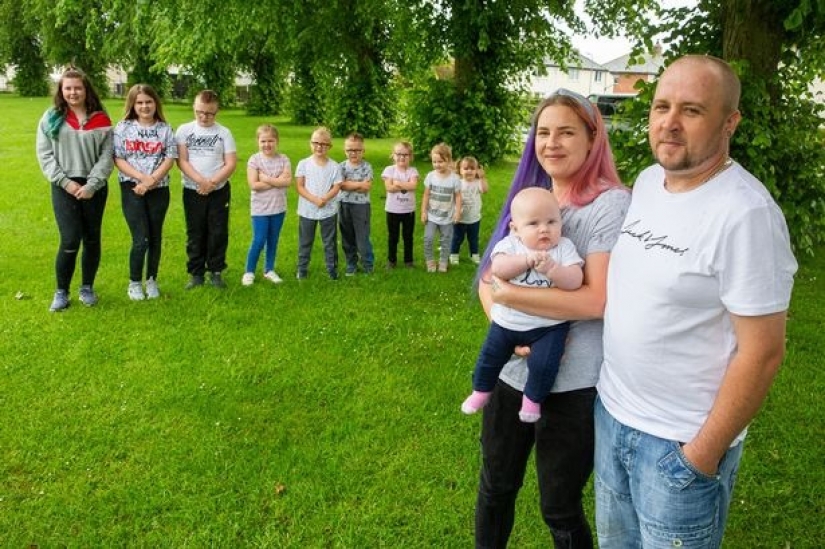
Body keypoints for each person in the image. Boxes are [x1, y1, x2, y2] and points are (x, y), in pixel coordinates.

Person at [595, 55, 798, 549]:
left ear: (730, 122)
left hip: (679, 445)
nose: (669, 123)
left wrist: (700, 454)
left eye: (691, 110)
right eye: (661, 106)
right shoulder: (646, 182)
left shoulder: (746, 214)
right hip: (612, 416)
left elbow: (763, 352)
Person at [474, 88, 630, 548]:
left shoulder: (610, 205)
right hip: (511, 370)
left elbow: (595, 300)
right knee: (495, 488)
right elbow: (489, 278)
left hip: (572, 385)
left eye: (566, 132)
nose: (552, 143)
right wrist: (508, 326)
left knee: (558, 507)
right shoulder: (532, 198)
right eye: (543, 132)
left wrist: (512, 296)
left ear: (591, 138)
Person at [462, 187, 583, 423]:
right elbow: (498, 269)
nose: (544, 229)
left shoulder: (564, 248)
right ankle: (481, 391)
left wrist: (553, 270)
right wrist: (526, 260)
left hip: (549, 327)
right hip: (508, 323)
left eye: (552, 221)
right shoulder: (511, 246)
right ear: (515, 229)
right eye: (533, 223)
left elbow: (575, 281)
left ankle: (532, 400)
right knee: (490, 357)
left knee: (544, 365)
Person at [36, 67, 114, 312]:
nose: (73, 92)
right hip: (64, 186)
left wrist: (92, 185)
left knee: (91, 239)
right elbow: (45, 155)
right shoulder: (51, 117)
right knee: (70, 239)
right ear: (61, 90)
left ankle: (87, 288)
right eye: (67, 88)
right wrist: (66, 182)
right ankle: (61, 292)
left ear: (86, 89)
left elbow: (108, 155)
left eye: (77, 88)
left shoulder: (101, 118)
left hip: (94, 187)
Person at [113, 84, 178, 300]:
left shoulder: (165, 129)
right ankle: (134, 282)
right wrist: (142, 179)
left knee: (155, 236)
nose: (144, 106)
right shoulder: (123, 128)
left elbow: (170, 158)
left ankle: (151, 279)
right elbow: (118, 158)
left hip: (158, 189)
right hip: (131, 187)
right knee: (141, 238)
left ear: (155, 103)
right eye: (139, 102)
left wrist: (151, 181)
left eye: (148, 102)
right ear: (132, 104)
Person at [176, 89, 237, 289]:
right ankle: (196, 273)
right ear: (194, 108)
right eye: (199, 112)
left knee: (218, 231)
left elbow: (230, 163)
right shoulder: (184, 130)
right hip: (192, 190)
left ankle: (216, 271)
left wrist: (211, 183)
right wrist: (201, 182)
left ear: (216, 112)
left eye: (209, 113)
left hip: (218, 191)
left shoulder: (223, 133)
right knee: (196, 232)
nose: (204, 117)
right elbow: (182, 161)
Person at [241, 124, 291, 286]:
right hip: (260, 209)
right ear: (258, 142)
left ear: (277, 141)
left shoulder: (284, 159)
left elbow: (287, 181)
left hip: (278, 208)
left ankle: (269, 269)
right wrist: (278, 181)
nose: (267, 144)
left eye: (271, 141)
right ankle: (249, 271)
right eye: (263, 141)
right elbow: (254, 185)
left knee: (273, 240)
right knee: (259, 239)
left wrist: (267, 179)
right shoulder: (254, 160)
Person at [295, 126, 343, 280]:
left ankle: (332, 270)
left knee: (329, 242)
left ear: (329, 146)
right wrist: (314, 199)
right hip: (307, 210)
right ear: (310, 143)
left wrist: (324, 198)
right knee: (305, 241)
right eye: (316, 143)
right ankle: (302, 269)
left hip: (328, 211)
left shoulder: (334, 166)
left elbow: (337, 186)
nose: (319, 147)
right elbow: (300, 186)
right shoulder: (303, 164)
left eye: (323, 144)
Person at [421, 142, 462, 272]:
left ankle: (443, 261)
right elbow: (426, 195)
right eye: (434, 162)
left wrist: (457, 212)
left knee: (446, 240)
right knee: (428, 238)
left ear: (449, 160)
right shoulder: (430, 176)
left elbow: (458, 197)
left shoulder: (455, 179)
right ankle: (430, 261)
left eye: (441, 161)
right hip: (432, 216)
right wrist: (423, 211)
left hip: (447, 217)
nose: (437, 164)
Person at [338, 132, 374, 275]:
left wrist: (348, 184)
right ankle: (351, 263)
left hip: (361, 207)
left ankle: (368, 265)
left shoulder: (367, 167)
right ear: (345, 150)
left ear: (363, 151)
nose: (353, 153)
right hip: (344, 204)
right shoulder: (340, 166)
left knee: (362, 237)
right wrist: (358, 184)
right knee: (347, 236)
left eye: (357, 150)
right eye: (349, 150)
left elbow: (367, 187)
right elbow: (340, 185)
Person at [382, 141, 419, 268]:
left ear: (411, 156)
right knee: (393, 236)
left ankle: (408, 261)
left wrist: (397, 183)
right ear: (393, 155)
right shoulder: (389, 170)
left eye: (405, 154)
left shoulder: (413, 171)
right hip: (392, 210)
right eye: (398, 154)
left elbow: (413, 185)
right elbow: (389, 188)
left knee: (408, 236)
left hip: (409, 210)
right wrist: (405, 184)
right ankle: (391, 261)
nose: (402, 157)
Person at [450, 156, 488, 265]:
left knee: (473, 238)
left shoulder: (477, 182)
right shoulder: (458, 182)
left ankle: (474, 254)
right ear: (460, 170)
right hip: (460, 218)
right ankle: (454, 254)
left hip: (474, 218)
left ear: (477, 170)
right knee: (457, 238)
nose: (469, 171)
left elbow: (485, 190)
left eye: (472, 168)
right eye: (466, 168)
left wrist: (482, 178)